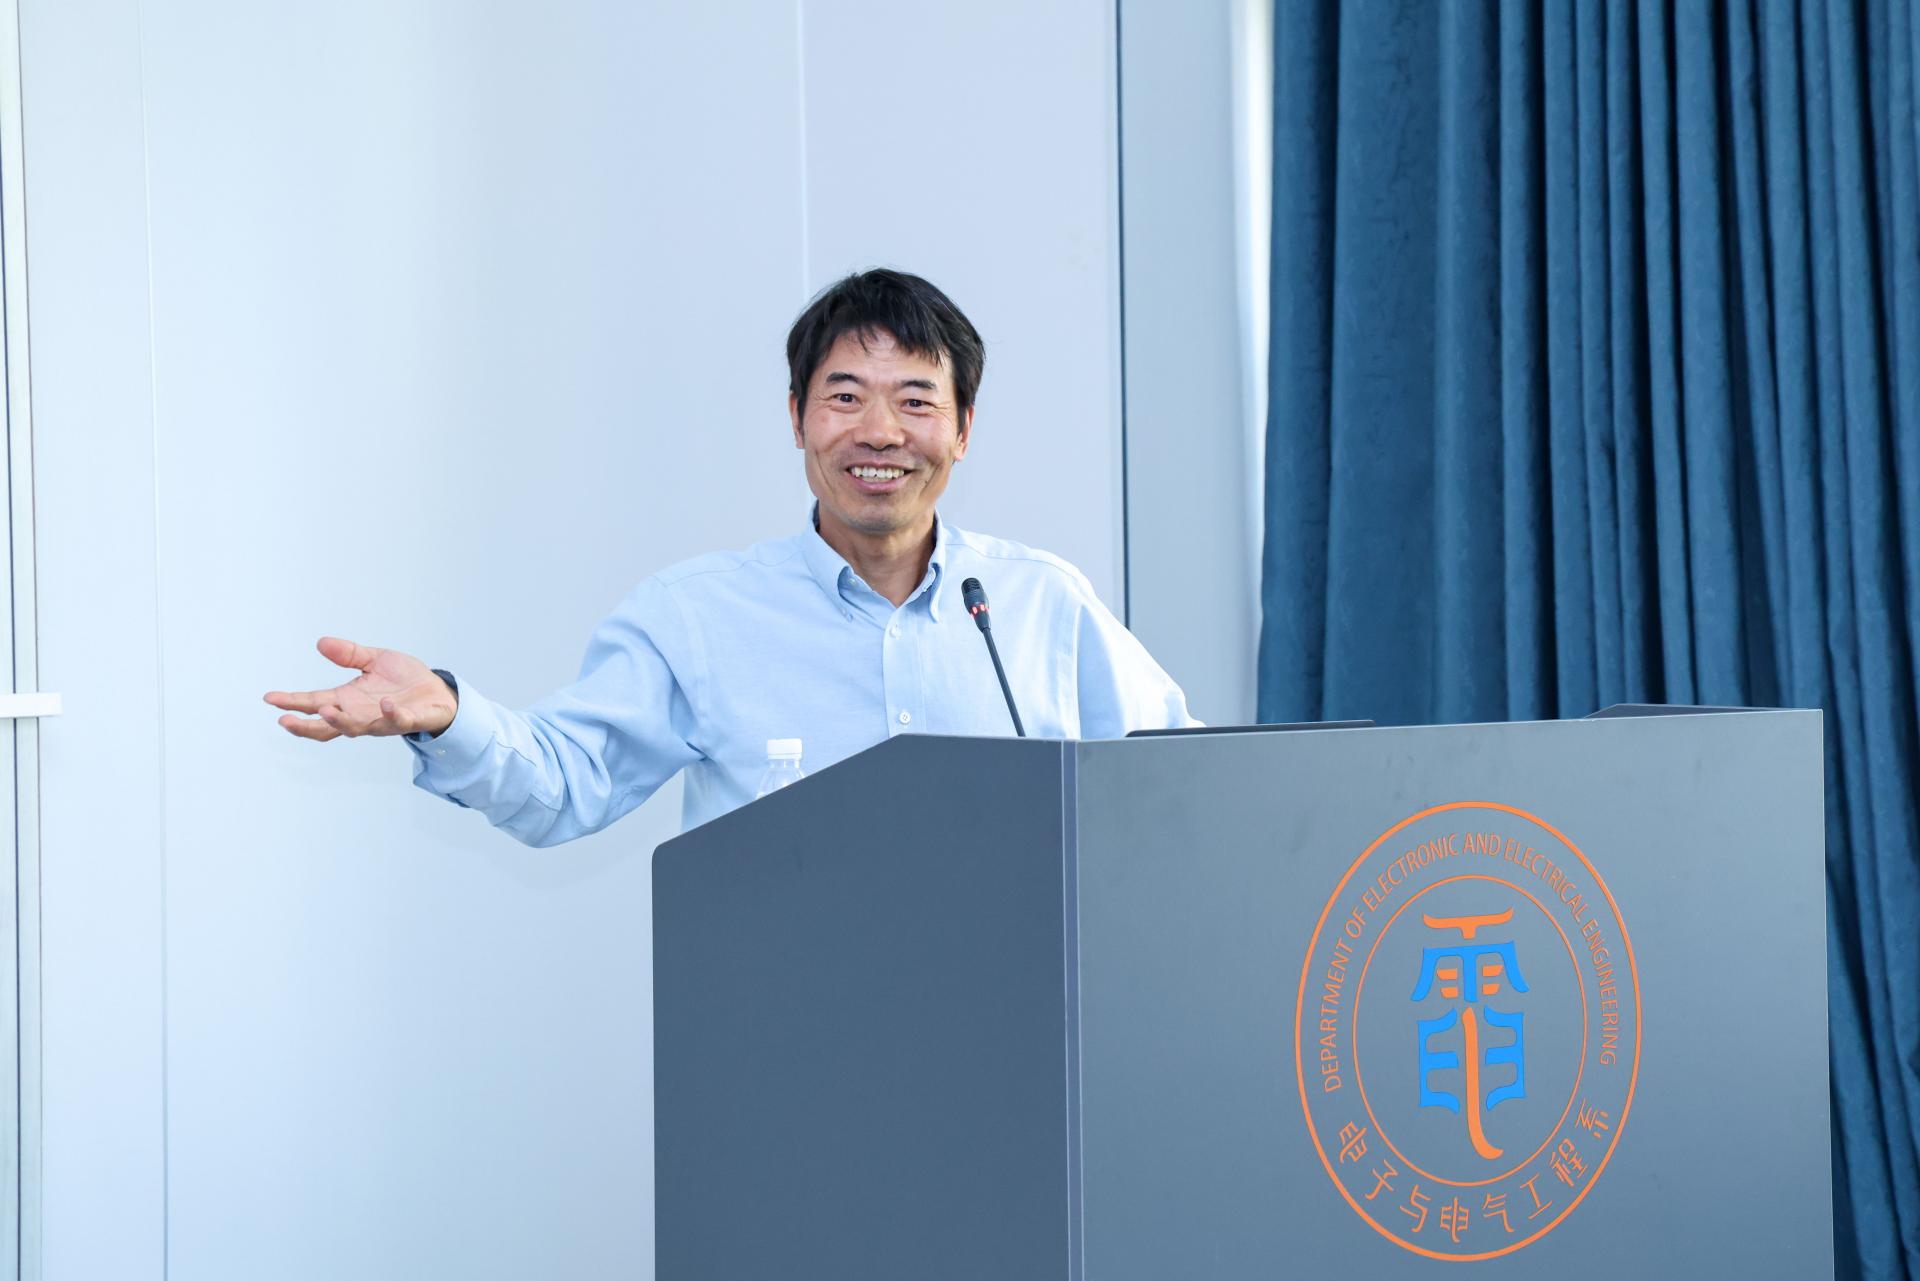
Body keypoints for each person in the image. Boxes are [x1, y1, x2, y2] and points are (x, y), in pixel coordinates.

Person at [263, 269, 1198, 842]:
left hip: (1009, 1038)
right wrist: (448, 712)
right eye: (845, 397)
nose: (880, 432)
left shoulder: (1040, 606)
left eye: (916, 401)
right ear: (796, 418)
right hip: (783, 1046)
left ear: (963, 430)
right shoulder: (700, 617)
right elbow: (564, 783)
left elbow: (1180, 786)